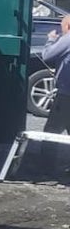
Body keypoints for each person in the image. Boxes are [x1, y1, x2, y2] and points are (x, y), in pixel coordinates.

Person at [41, 14, 70, 172]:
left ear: (67, 26)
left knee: (51, 131)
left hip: (66, 94)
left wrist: (51, 39)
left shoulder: (68, 38)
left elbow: (48, 55)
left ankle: (46, 167)